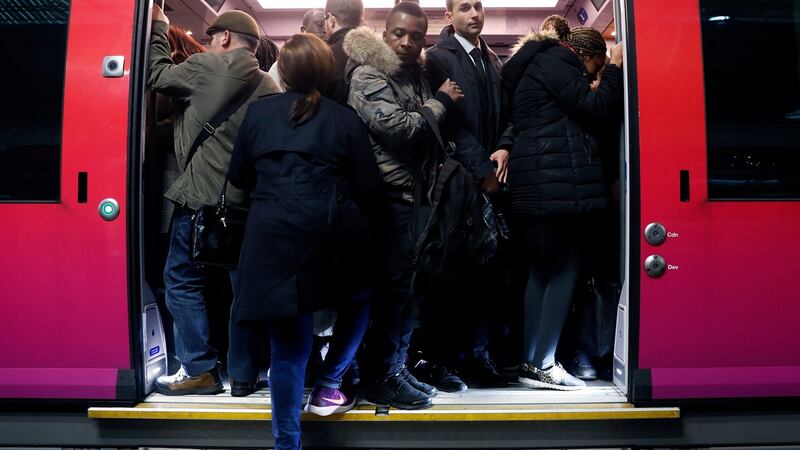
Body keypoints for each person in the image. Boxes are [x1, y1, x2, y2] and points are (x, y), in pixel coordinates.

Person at [228, 33, 382, 450]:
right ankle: (330, 382)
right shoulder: (344, 117)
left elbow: (239, 177)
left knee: (288, 350)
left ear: (285, 70)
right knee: (362, 299)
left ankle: (286, 445)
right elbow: (369, 185)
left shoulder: (258, 114)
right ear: (326, 71)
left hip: (271, 236)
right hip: (330, 232)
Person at [148, 5, 281, 396]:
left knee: (181, 280)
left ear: (223, 38)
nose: (207, 44)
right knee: (244, 290)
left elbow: (156, 73)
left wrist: (158, 26)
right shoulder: (269, 86)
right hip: (247, 204)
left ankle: (199, 368)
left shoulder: (207, 67)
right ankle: (244, 374)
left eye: (210, 39)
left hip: (202, 200)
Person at [345, 1, 464, 409]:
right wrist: (441, 103)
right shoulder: (367, 74)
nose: (406, 42)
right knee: (393, 292)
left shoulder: (416, 74)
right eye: (399, 33)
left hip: (418, 197)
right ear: (385, 32)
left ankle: (395, 367)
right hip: (389, 199)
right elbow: (397, 129)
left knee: (409, 291)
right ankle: (380, 376)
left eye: (416, 36)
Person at [500, 26, 623, 390]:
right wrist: (615, 69)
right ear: (585, 55)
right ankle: (545, 362)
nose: (593, 76)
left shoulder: (538, 64)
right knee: (565, 269)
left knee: (540, 272)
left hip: (537, 187)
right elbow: (596, 109)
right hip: (555, 187)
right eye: (594, 68)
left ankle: (532, 360)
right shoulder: (558, 62)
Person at [419, 0, 511, 392]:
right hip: (460, 180)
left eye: (478, 6)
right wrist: (483, 169)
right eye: (464, 8)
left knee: (487, 274)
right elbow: (451, 123)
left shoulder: (493, 59)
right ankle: (441, 359)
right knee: (450, 273)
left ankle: (478, 355)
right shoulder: (438, 58)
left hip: (495, 175)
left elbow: (510, 114)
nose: (474, 14)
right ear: (449, 16)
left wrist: (505, 147)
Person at [269, 8, 329, 89]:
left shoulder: (337, 62)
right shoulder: (282, 66)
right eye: (320, 24)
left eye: (328, 25)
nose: (326, 30)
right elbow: (273, 98)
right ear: (304, 30)